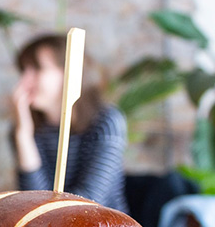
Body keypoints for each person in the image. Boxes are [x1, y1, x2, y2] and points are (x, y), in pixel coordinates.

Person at [11, 33, 129, 213]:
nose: (24, 81)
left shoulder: (106, 122)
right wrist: (23, 136)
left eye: (37, 69)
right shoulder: (25, 128)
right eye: (24, 70)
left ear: (69, 73)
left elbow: (89, 202)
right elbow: (32, 203)